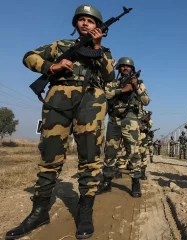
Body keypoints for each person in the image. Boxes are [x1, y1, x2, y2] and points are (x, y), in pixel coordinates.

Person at [6, 5, 115, 239]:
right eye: (82, 20)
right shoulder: (61, 45)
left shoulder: (104, 51)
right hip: (58, 100)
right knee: (49, 157)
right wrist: (51, 66)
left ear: (99, 27)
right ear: (76, 24)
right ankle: (40, 211)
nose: (86, 23)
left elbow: (109, 76)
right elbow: (29, 56)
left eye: (91, 21)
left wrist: (96, 47)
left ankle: (85, 213)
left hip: (91, 103)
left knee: (90, 158)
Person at [97, 56, 150, 198]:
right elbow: (106, 94)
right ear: (119, 69)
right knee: (110, 151)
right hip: (114, 119)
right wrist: (123, 90)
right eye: (122, 66)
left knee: (133, 152)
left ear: (132, 69)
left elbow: (146, 101)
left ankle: (136, 182)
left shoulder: (139, 84)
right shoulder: (113, 83)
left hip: (130, 119)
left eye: (128, 67)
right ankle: (106, 182)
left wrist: (136, 86)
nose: (125, 68)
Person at [138, 110, 153, 180]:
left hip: (143, 137)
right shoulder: (136, 117)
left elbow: (150, 126)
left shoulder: (149, 120)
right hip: (136, 137)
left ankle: (142, 173)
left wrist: (147, 120)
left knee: (143, 155)